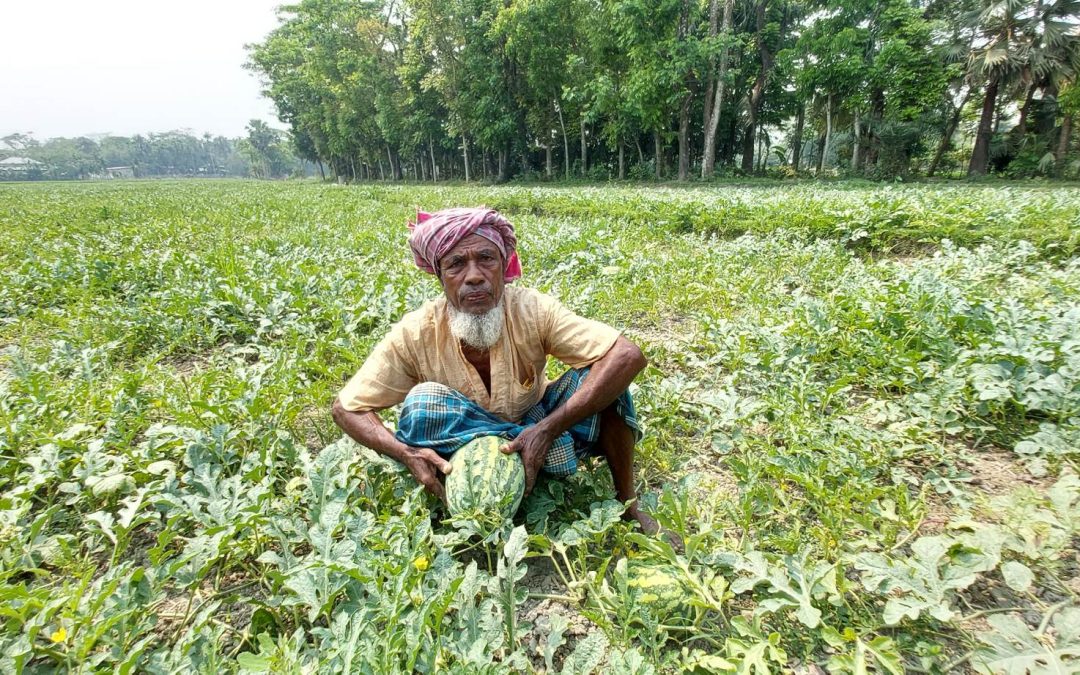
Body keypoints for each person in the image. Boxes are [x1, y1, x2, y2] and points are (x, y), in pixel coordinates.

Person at [331, 207, 657, 533]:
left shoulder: (531, 310)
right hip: (462, 447)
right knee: (420, 405)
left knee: (608, 381)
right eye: (456, 264)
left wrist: (546, 430)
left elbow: (626, 355)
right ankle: (520, 464)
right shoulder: (417, 331)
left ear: (503, 267)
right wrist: (405, 454)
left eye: (486, 258)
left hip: (537, 425)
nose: (474, 276)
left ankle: (627, 504)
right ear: (439, 275)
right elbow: (347, 408)